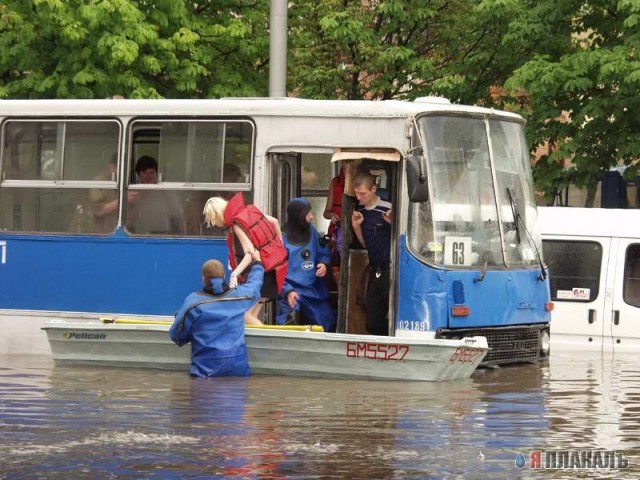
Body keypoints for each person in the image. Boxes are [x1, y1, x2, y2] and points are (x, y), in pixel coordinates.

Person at [169, 255, 263, 378]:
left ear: (203, 279)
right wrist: (257, 264)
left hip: (204, 374)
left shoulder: (193, 303)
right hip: (239, 372)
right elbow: (255, 284)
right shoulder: (240, 297)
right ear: (224, 277)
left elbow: (176, 336)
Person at [202, 193, 288, 326]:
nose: (216, 224)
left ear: (217, 215)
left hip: (263, 274)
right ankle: (259, 343)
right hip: (273, 271)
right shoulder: (249, 211)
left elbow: (249, 253)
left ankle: (269, 342)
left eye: (213, 220)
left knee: (244, 314)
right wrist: (279, 243)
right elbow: (275, 221)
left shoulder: (237, 224)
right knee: (252, 316)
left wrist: (235, 274)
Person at [277, 198, 337, 332]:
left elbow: (323, 251)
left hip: (313, 291)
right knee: (288, 328)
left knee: (328, 322)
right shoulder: (282, 239)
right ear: (297, 216)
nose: (312, 216)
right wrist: (287, 291)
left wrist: (324, 264)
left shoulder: (312, 231)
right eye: (308, 213)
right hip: (292, 292)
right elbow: (276, 272)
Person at [351, 170, 392, 336]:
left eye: (363, 194)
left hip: (391, 269)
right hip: (375, 270)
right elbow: (365, 245)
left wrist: (393, 224)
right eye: (356, 194)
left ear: (374, 189)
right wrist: (356, 227)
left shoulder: (388, 208)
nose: (359, 198)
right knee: (372, 323)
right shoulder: (360, 210)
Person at [127, 155, 186, 234]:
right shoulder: (132, 193)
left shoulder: (166, 191)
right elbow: (128, 223)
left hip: (164, 235)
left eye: (152, 172)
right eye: (145, 173)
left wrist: (184, 234)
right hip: (138, 236)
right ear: (138, 175)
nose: (149, 176)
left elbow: (179, 216)